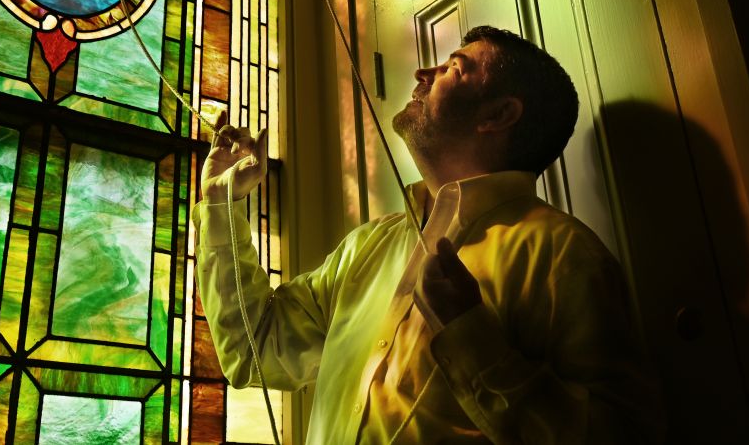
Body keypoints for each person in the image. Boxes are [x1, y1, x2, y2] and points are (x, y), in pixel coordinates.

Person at [194, 25, 664, 444]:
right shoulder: (367, 246)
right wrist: (220, 205)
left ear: (499, 114)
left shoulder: (562, 255)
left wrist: (472, 338)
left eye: (452, 68)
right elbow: (254, 351)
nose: (422, 72)